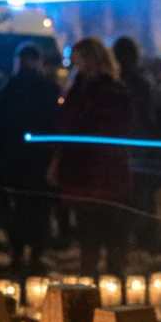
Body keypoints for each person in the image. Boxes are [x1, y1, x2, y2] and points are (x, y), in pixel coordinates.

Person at [54, 38, 134, 276]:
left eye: (79, 60)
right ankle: (93, 277)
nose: (76, 65)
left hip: (102, 168)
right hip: (85, 169)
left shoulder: (110, 91)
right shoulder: (79, 90)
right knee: (90, 229)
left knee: (108, 228)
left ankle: (111, 278)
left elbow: (121, 126)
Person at [0, 42, 60, 272]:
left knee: (19, 208)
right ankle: (37, 253)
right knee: (39, 208)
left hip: (14, 159)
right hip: (40, 157)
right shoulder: (48, 88)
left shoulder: (9, 87)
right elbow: (56, 122)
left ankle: (18, 253)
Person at [113, 36, 161, 255]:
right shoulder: (142, 82)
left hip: (119, 148)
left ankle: (124, 239)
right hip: (140, 145)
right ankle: (145, 239)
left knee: (124, 195)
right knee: (143, 195)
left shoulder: (113, 82)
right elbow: (150, 115)